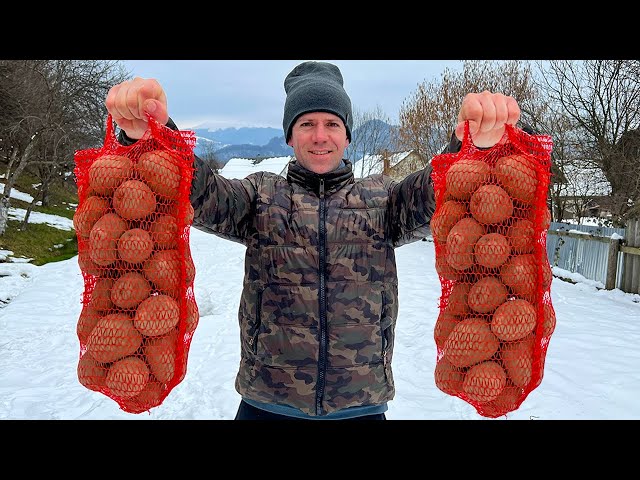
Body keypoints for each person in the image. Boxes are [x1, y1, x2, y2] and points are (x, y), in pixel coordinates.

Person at [105, 61, 521, 420]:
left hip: (360, 406)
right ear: (289, 135)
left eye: (332, 124)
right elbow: (201, 192)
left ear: (347, 135)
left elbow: (441, 190)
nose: (320, 135)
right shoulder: (260, 197)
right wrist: (150, 136)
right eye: (307, 124)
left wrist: (474, 145)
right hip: (266, 402)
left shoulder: (384, 200)